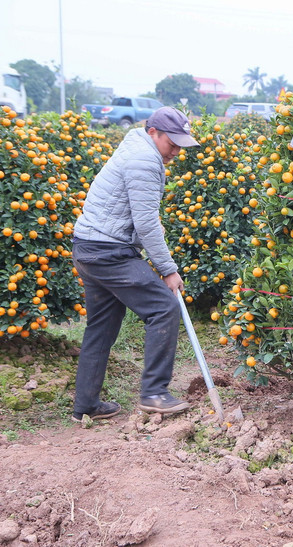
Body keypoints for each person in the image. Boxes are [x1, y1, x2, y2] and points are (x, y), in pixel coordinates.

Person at [71, 107, 200, 422]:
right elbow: (146, 223)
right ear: (154, 131)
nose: (176, 151)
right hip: (108, 252)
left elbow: (138, 215)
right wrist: (168, 269)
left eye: (181, 145)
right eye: (173, 143)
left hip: (89, 247)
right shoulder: (143, 160)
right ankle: (154, 393)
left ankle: (85, 405)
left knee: (101, 327)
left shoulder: (138, 148)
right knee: (163, 308)